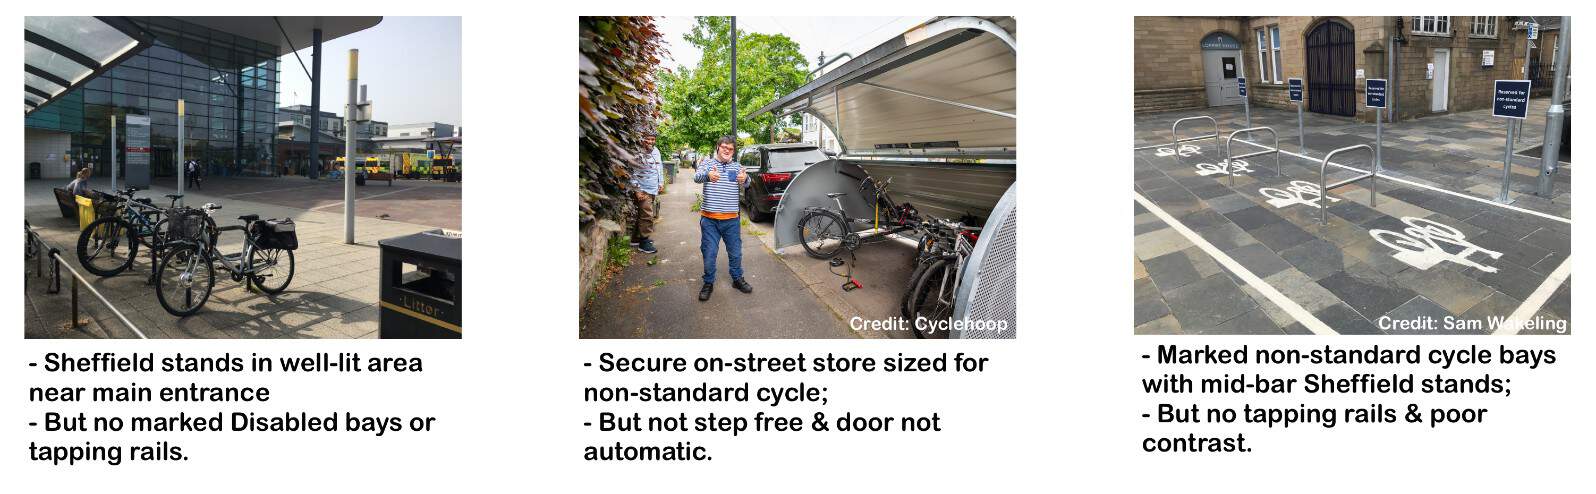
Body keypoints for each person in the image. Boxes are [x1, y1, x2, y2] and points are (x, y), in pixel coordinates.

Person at [693, 135, 752, 301]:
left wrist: (745, 179)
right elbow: (696, 177)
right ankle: (708, 283)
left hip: (731, 220)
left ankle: (737, 279)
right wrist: (708, 176)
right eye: (724, 147)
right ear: (718, 147)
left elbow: (747, 183)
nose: (727, 150)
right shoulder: (708, 164)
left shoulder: (736, 166)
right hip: (710, 220)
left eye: (731, 148)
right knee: (709, 253)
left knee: (735, 253)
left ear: (733, 151)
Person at [629, 132, 663, 254]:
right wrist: (637, 189)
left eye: (653, 139)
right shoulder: (637, 152)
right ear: (642, 139)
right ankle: (644, 242)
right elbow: (631, 171)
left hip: (653, 188)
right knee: (647, 215)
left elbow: (660, 167)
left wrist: (661, 182)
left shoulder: (656, 151)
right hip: (643, 189)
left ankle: (636, 239)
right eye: (647, 139)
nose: (650, 141)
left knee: (643, 214)